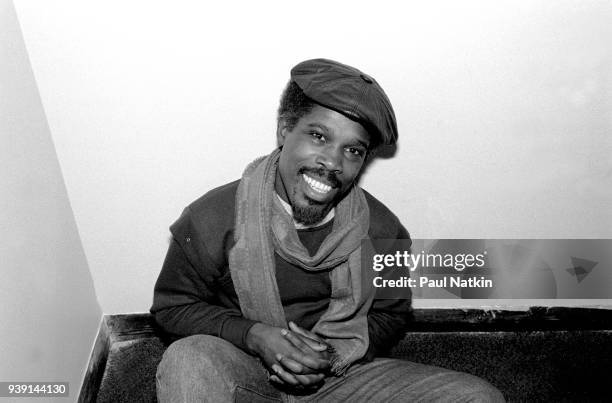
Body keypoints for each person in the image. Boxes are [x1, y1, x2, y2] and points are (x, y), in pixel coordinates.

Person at [151, 58, 505, 402]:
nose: (333, 163)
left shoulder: (384, 231)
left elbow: (391, 315)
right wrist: (256, 336)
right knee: (188, 361)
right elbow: (173, 308)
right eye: (319, 136)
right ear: (285, 130)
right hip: (245, 368)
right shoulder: (211, 218)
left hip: (338, 377)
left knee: (478, 397)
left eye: (352, 150)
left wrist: (329, 356)